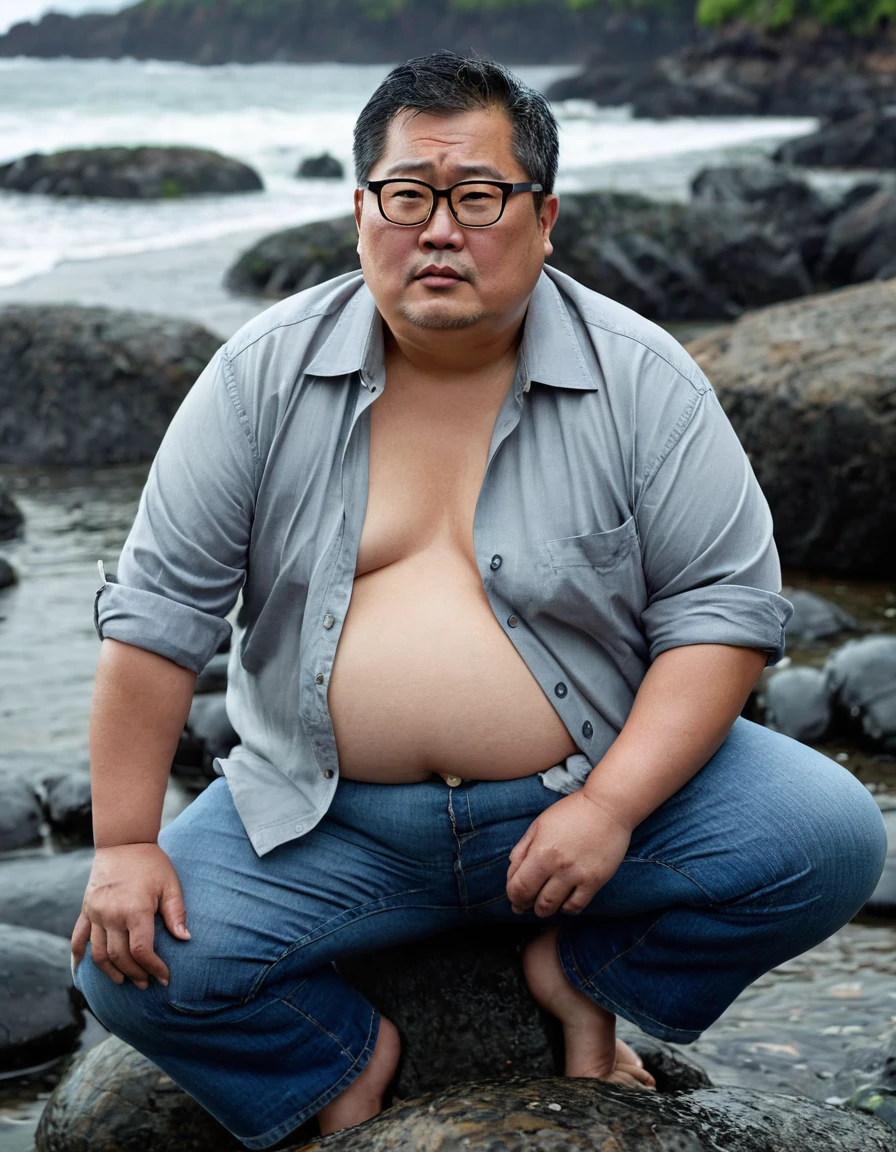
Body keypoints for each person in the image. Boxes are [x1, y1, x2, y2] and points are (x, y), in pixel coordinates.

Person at [71, 51, 887, 1149]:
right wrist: (126, 843)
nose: (437, 229)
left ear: (543, 215)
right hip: (322, 820)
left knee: (828, 836)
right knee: (126, 964)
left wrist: (606, 811)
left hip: (585, 795)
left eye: (477, 197)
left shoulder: (639, 377)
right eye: (406, 196)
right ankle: (341, 1062)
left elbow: (719, 613)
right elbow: (158, 619)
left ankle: (582, 967)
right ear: (360, 210)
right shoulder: (257, 377)